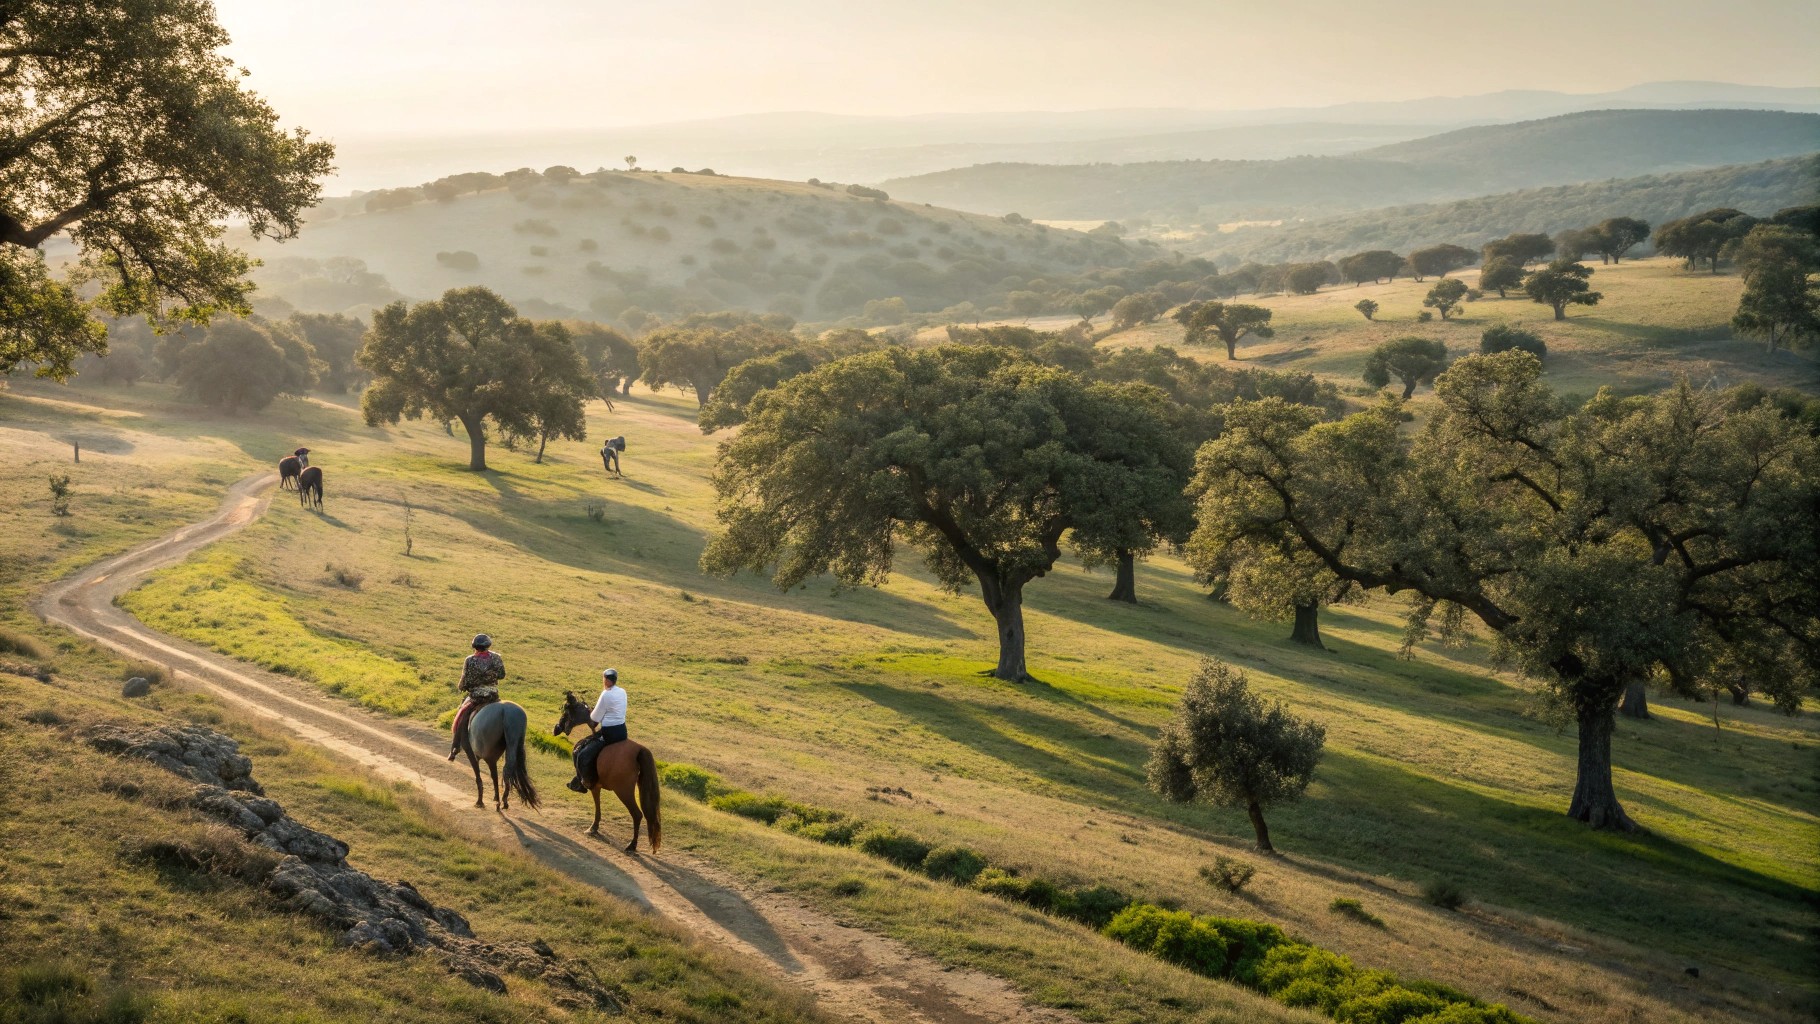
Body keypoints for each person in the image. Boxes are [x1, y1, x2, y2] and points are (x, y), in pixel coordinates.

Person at [567, 668, 627, 792]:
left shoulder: (605, 694)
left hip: (609, 734)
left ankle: (583, 783)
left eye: (603, 679)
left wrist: (591, 711)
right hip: (622, 732)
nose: (603, 681)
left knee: (580, 754)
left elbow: (595, 718)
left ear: (607, 680)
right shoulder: (622, 691)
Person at [448, 634, 505, 760]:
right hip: (493, 695)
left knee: (461, 716)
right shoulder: (496, 657)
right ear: (488, 645)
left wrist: (461, 686)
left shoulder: (469, 660)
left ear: (474, 646)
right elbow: (502, 675)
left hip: (476, 697)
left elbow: (464, 678)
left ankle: (455, 747)